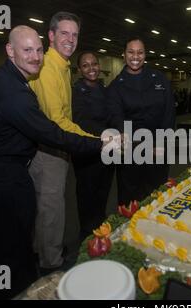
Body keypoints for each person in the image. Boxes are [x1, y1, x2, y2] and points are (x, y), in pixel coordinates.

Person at [0, 25, 105, 299]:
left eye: (38, 50)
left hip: (4, 170)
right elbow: (51, 132)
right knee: (7, 248)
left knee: (15, 242)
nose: (35, 57)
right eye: (27, 50)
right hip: (3, 178)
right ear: (10, 51)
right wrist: (99, 144)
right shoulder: (13, 92)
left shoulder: (13, 78)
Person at [28, 12, 96, 273]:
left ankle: (43, 251)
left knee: (47, 205)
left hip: (58, 145)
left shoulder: (62, 66)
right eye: (64, 33)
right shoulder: (47, 69)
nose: (71, 39)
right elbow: (57, 121)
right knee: (51, 207)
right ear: (52, 36)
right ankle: (51, 264)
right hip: (49, 150)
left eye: (75, 34)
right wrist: (97, 140)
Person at [108, 36, 176, 206]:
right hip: (131, 151)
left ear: (145, 54)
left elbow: (169, 113)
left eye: (140, 52)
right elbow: (116, 116)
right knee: (130, 197)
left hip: (158, 149)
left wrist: (161, 143)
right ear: (124, 54)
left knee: (157, 195)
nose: (135, 56)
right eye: (131, 52)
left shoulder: (159, 78)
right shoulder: (116, 85)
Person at [71, 52, 114, 241]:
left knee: (103, 190)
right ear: (80, 69)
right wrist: (107, 134)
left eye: (94, 64)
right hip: (87, 151)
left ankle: (100, 226)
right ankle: (87, 234)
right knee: (88, 193)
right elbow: (82, 121)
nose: (91, 69)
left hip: (108, 150)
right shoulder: (76, 91)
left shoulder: (105, 90)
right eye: (86, 65)